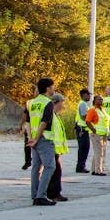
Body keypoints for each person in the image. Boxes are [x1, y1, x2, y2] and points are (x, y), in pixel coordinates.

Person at [27, 78, 57, 206]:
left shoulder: (32, 103)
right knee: (50, 166)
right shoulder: (48, 103)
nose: (54, 89)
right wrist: (37, 138)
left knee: (36, 167)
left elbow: (27, 122)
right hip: (43, 138)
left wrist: (30, 138)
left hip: (34, 138)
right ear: (48, 88)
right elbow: (44, 122)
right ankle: (41, 196)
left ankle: (34, 195)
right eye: (52, 87)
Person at [43, 93, 71, 203]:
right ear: (55, 103)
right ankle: (53, 193)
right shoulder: (51, 115)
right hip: (51, 147)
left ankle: (55, 192)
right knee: (55, 171)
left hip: (55, 148)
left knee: (57, 171)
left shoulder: (55, 115)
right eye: (61, 103)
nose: (63, 106)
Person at [84, 95, 110, 176]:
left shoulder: (102, 110)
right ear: (94, 101)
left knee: (97, 152)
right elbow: (87, 121)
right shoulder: (92, 110)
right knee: (99, 152)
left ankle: (94, 169)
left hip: (103, 134)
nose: (101, 101)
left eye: (102, 99)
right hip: (96, 134)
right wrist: (94, 130)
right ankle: (99, 170)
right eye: (99, 99)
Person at [74, 88, 91, 173]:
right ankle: (81, 166)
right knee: (84, 148)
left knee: (83, 148)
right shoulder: (83, 104)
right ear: (84, 95)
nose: (89, 96)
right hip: (82, 129)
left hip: (81, 128)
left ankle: (81, 166)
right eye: (88, 94)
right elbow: (85, 116)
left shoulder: (83, 104)